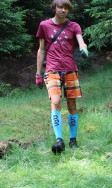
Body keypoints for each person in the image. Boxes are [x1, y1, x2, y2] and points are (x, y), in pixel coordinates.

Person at [35, 0, 88, 155]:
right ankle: (59, 140)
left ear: (68, 10)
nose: (63, 10)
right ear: (54, 8)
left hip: (70, 69)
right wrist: (38, 73)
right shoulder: (44, 26)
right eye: (60, 7)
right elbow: (41, 50)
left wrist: (83, 48)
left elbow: (80, 40)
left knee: (72, 105)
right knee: (56, 101)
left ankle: (73, 139)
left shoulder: (74, 26)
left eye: (66, 8)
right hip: (52, 69)